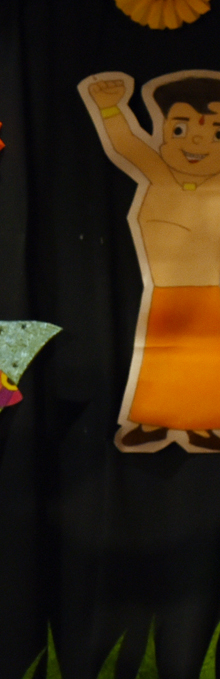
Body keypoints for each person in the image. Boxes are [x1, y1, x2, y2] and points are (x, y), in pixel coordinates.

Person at [79, 70, 220, 452]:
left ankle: (202, 423)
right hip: (166, 290)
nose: (197, 142)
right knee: (159, 357)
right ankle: (153, 420)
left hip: (211, 294)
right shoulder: (159, 175)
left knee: (206, 361)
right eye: (180, 129)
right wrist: (110, 109)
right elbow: (127, 144)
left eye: (217, 133)